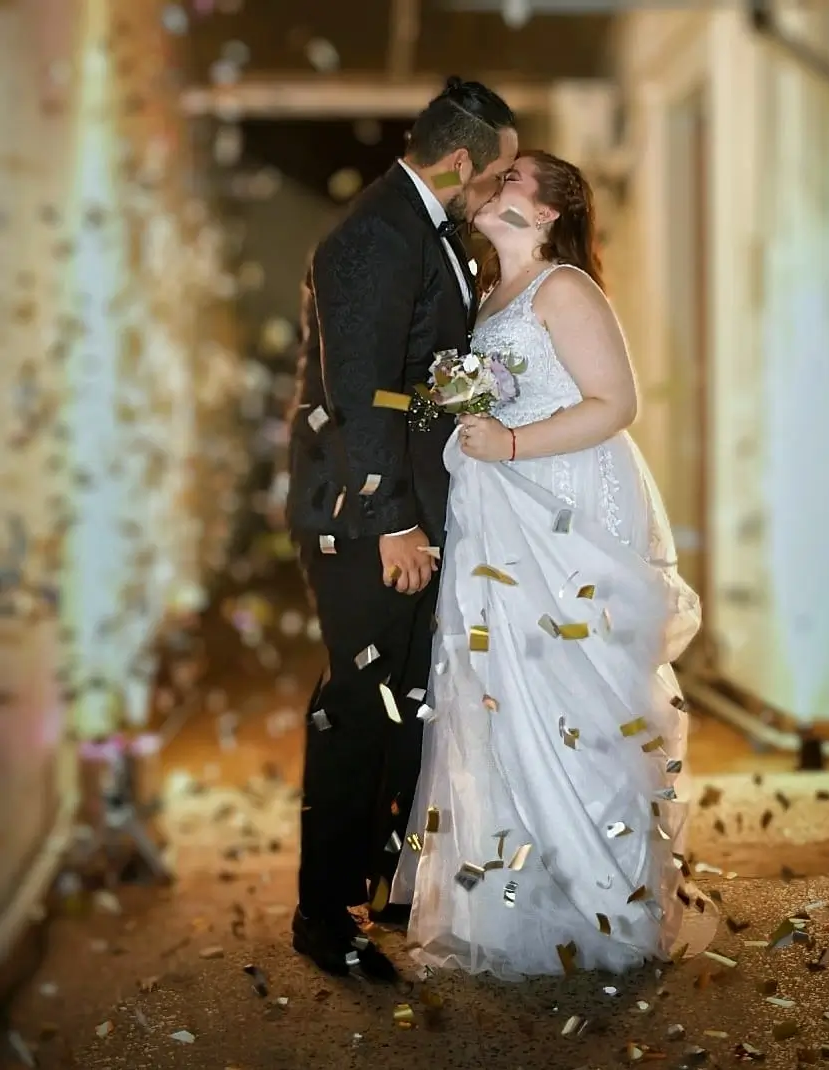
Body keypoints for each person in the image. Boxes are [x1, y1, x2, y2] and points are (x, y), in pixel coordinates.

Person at [391, 151, 716, 979]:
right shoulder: (487, 290)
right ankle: (515, 905)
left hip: (565, 505)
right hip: (498, 512)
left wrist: (510, 442)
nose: (496, 182)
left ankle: (607, 898)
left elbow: (616, 403)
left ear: (544, 213)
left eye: (514, 178)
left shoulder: (563, 288)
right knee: (501, 690)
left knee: (574, 686)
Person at [286, 78, 518, 981]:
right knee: (359, 706)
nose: (493, 192)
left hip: (412, 510)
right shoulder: (375, 235)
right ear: (459, 161)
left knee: (411, 704)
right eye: (492, 174)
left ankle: (384, 883)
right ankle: (322, 913)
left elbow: (410, 376)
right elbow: (358, 391)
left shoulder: (424, 230)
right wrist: (392, 525)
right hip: (363, 520)